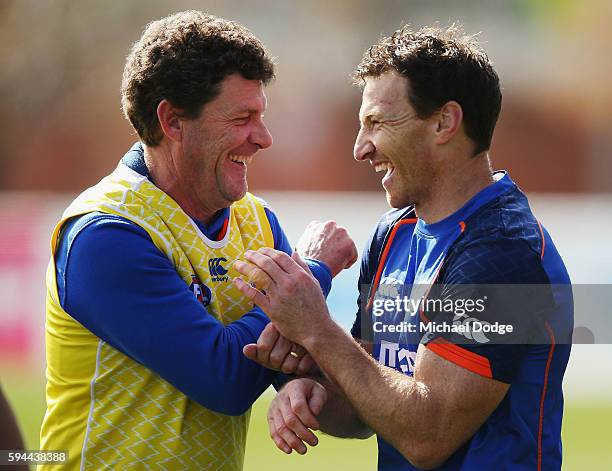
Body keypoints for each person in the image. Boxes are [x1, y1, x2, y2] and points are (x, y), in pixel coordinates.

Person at [235, 25, 573, 470]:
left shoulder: (502, 253)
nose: (360, 148)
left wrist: (316, 328)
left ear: (444, 123)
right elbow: (367, 405)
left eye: (377, 122)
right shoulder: (394, 232)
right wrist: (305, 384)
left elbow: (427, 435)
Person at [39, 11, 357, 470]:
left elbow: (296, 352)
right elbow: (223, 377)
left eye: (261, 116)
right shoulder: (106, 234)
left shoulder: (258, 222)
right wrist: (313, 271)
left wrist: (296, 387)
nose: (263, 138)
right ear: (172, 121)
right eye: (242, 118)